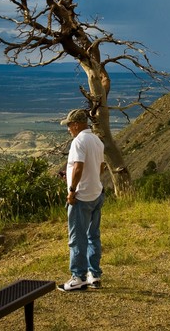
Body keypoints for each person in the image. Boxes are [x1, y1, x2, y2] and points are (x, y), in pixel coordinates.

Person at [57, 109, 106, 291]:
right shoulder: (96, 140)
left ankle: (78, 277)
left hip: (81, 196)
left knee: (77, 238)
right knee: (93, 235)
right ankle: (94, 275)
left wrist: (71, 189)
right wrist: (69, 177)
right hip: (96, 193)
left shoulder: (79, 141)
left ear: (76, 124)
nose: (68, 129)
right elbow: (99, 168)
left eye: (69, 125)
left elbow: (78, 167)